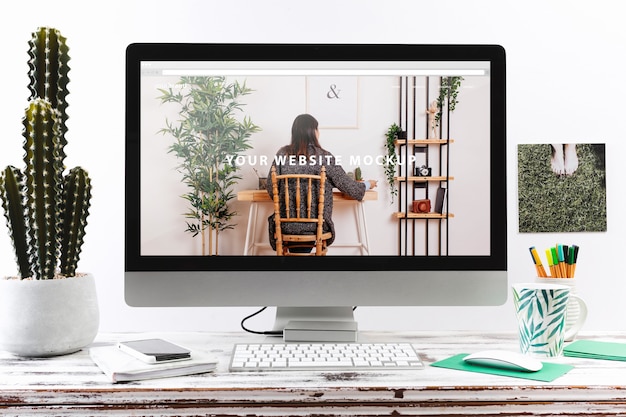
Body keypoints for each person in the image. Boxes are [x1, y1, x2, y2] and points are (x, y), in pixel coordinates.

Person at [266, 114, 377, 252]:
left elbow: (271, 187)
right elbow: (348, 186)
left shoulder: (282, 154)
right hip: (316, 227)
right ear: (313, 132)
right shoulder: (324, 157)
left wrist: (291, 204)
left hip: (285, 226)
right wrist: (367, 184)